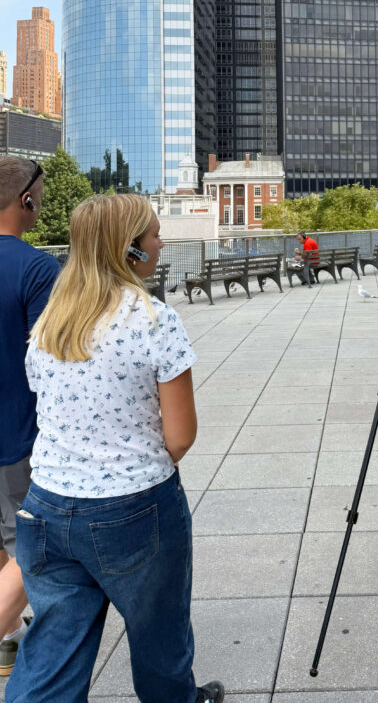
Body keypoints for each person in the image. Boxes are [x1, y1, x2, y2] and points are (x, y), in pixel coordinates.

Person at [6, 194, 224, 703]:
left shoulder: (49, 325)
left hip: (46, 506)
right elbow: (181, 435)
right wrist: (132, 470)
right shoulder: (155, 321)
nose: (161, 241)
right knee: (159, 639)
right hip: (134, 508)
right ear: (130, 251)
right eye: (152, 235)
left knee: (52, 653)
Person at [0, 158, 60, 677]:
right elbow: (51, 358)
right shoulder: (39, 268)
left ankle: (11, 637)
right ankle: (20, 636)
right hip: (15, 433)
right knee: (29, 546)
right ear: (26, 200)